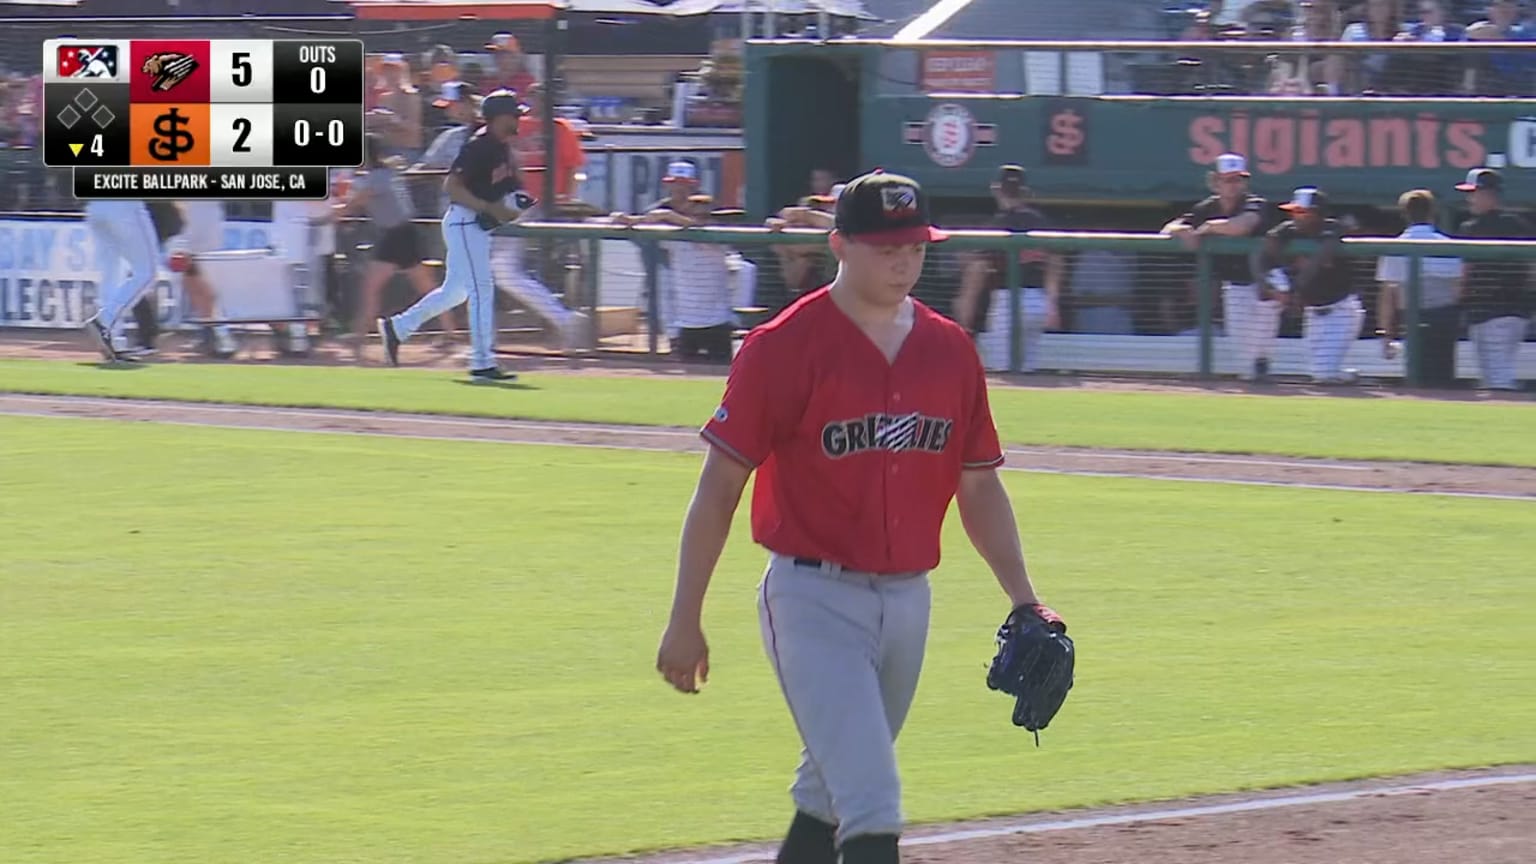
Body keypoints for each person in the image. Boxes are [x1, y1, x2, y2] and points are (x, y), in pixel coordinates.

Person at [655, 169, 1059, 864]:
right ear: (839, 245)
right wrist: (684, 615)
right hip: (813, 599)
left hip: (909, 602)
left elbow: (980, 487)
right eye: (885, 247)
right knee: (872, 797)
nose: (904, 260)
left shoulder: (950, 351)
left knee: (828, 791)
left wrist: (1026, 600)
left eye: (916, 246)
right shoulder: (783, 346)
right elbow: (719, 486)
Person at [377, 89, 529, 382]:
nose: (518, 119)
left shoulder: (502, 148)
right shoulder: (480, 145)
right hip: (464, 221)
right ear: (498, 118)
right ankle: (483, 362)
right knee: (481, 290)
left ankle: (397, 328)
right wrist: (487, 207)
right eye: (514, 114)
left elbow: (512, 191)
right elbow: (452, 187)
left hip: (476, 225)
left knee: (456, 292)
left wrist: (515, 205)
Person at [1162, 153, 1277, 381]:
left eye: (1238, 179)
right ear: (1215, 181)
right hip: (1236, 285)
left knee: (1261, 342)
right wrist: (1182, 230)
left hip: (1268, 281)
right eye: (1228, 179)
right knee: (1245, 351)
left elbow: (1243, 226)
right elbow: (1167, 229)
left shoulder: (1255, 203)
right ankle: (1256, 384)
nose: (1234, 185)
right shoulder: (1207, 207)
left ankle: (1261, 372)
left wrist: (1208, 228)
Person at [340, 134, 440, 359]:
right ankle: (359, 335)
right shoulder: (383, 174)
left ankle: (359, 336)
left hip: (399, 235)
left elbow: (353, 204)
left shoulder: (376, 178)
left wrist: (326, 217)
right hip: (400, 233)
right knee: (425, 287)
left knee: (374, 287)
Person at [1253, 186, 1365, 384]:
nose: (1296, 216)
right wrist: (1269, 284)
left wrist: (1294, 288)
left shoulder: (1332, 228)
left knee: (1323, 375)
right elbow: (1261, 252)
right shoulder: (1288, 230)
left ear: (1318, 214)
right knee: (1318, 372)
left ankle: (1343, 377)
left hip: (1341, 311)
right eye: (1294, 211)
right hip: (1314, 313)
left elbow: (1320, 258)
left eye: (1302, 212)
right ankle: (1350, 376)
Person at [956, 164, 1062, 372]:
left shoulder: (997, 224)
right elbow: (1057, 261)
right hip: (1037, 302)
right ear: (1025, 191)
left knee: (1004, 372)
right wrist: (1051, 303)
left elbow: (976, 273)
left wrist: (965, 318)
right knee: (1027, 371)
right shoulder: (1040, 221)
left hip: (1007, 302)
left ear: (996, 189)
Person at [1452, 167, 1533, 391]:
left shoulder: (1471, 228)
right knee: (1497, 373)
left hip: (1488, 313)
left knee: (1497, 378)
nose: (1469, 199)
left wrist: (1457, 301)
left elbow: (1463, 274)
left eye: (1474, 193)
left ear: (1489, 194)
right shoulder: (1519, 224)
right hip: (1517, 313)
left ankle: (1514, 419)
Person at [1375, 188, 1464, 387]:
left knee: (1417, 381)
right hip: (1444, 319)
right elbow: (1458, 290)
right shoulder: (1449, 246)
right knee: (1443, 380)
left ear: (1405, 214)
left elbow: (1388, 297)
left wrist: (1386, 334)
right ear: (1432, 213)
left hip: (1412, 320)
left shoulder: (1394, 248)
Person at [81, 199, 161, 363]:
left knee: (112, 273)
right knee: (147, 272)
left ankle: (114, 341)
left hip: (95, 205)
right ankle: (105, 321)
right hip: (125, 205)